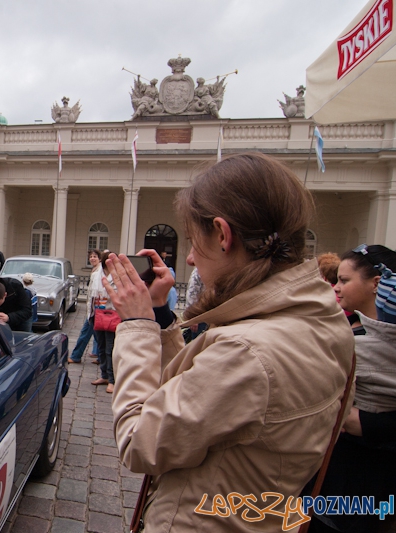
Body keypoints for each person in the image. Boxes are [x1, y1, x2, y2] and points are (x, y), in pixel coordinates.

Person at [107, 153, 354, 532]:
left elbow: (140, 440)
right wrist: (158, 315)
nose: (189, 257)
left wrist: (137, 326)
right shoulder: (324, 319)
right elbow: (203, 391)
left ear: (223, 234)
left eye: (193, 240)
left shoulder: (248, 352)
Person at [309, 245, 396, 533]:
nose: (335, 287)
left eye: (344, 280)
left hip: (363, 485)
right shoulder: (349, 328)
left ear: (376, 284)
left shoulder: (369, 345)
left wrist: (370, 424)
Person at [68, 250, 103, 364]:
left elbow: (96, 292)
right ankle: (102, 358)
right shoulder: (95, 270)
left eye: (95, 257)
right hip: (93, 309)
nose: (92, 259)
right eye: (91, 257)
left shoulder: (99, 272)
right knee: (98, 335)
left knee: (85, 333)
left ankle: (75, 356)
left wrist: (92, 310)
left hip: (95, 309)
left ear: (100, 259)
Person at [91, 252, 116, 394]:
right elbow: (91, 295)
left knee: (110, 348)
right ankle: (104, 375)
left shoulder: (117, 276)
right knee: (101, 346)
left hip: (112, 314)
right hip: (97, 313)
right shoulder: (96, 275)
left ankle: (112, 379)